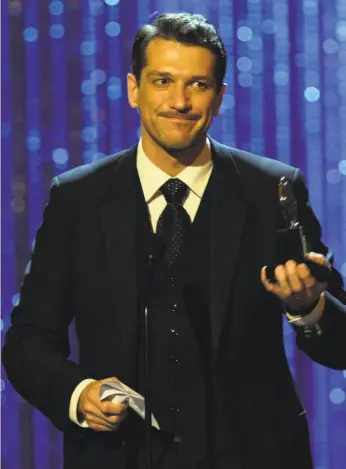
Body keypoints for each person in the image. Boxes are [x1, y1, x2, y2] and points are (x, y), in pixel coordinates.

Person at [3, 12, 346, 469]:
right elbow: (27, 340)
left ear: (220, 97)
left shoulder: (272, 191)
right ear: (133, 89)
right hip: (117, 455)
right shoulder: (79, 198)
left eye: (198, 85)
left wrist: (308, 308)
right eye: (162, 80)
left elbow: (339, 344)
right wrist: (78, 392)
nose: (180, 101)